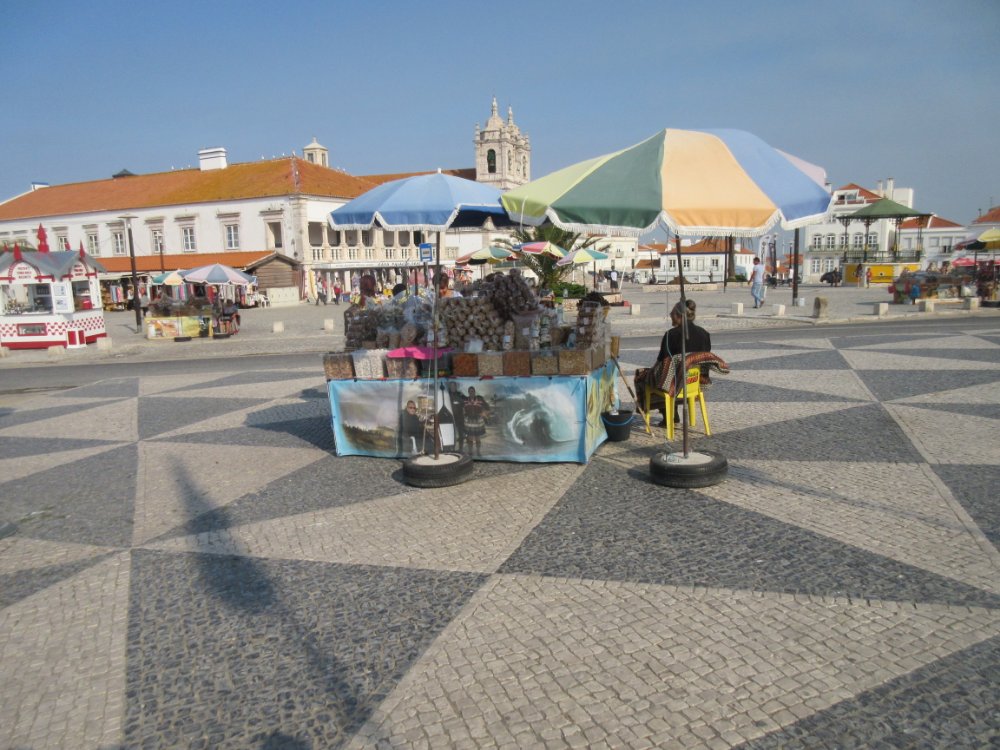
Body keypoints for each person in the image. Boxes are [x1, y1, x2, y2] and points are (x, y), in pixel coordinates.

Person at [462, 386, 490, 457]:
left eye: (472, 391)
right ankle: (470, 452)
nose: (471, 393)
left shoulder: (480, 399)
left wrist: (484, 414)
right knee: (470, 438)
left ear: (474, 392)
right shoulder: (465, 400)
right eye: (470, 391)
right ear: (468, 392)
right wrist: (464, 415)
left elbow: (487, 407)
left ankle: (478, 452)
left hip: (478, 421)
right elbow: (462, 409)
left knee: (477, 438)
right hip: (469, 421)